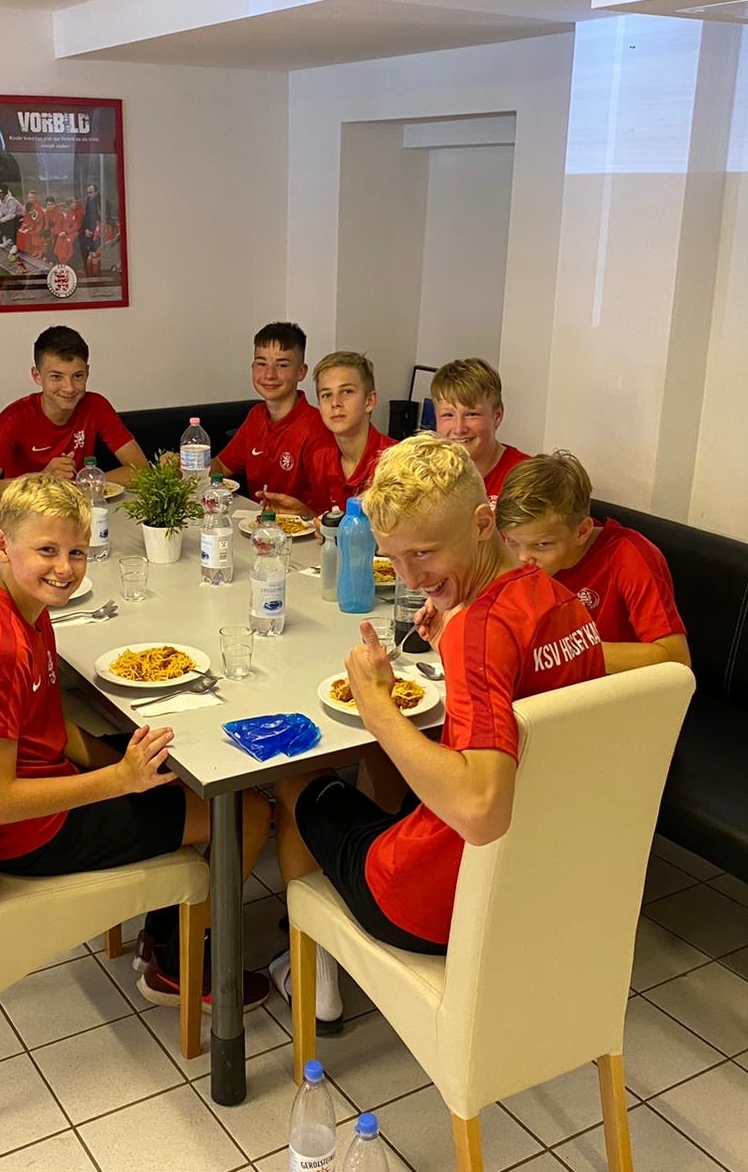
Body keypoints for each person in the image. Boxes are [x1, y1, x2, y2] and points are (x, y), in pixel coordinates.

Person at [268, 434, 605, 1027]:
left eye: (423, 553)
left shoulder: (480, 630)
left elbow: (481, 809)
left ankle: (310, 977)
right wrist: (456, 616)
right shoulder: (561, 601)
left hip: (432, 905)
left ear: (484, 523)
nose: (410, 576)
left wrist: (377, 706)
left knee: (298, 775)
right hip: (537, 886)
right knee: (389, 774)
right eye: (393, 558)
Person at [0, 473, 273, 1009]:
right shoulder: (1, 648)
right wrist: (119, 779)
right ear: (0, 544)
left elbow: (49, 731)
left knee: (181, 763)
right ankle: (179, 965)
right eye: (47, 550)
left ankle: (163, 931)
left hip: (42, 791)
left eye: (76, 552)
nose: (65, 568)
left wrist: (126, 764)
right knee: (248, 812)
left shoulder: (18, 612)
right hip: (32, 832)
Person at [495, 451, 690, 674]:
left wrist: (567, 652)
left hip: (610, 687)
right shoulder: (509, 546)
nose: (522, 559)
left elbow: (677, 659)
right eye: (511, 541)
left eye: (542, 545)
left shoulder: (629, 557)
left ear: (582, 531)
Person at [0, 326, 149, 500]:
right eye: (56, 377)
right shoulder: (15, 417)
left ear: (87, 373)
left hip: (76, 507)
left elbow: (141, 470)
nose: (69, 388)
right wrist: (41, 480)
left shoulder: (96, 405)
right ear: (37, 376)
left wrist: (80, 484)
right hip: (26, 510)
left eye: (78, 376)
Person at [209, 322, 331, 504]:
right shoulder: (256, 415)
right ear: (252, 368)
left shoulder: (317, 428)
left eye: (282, 365)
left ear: (301, 372)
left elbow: (327, 509)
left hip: (299, 521)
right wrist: (184, 466)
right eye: (261, 363)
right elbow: (221, 467)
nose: (269, 375)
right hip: (255, 518)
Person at [260, 350, 394, 517]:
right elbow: (324, 520)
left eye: (347, 392)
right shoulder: (321, 458)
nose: (335, 403)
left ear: (369, 401)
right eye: (326, 395)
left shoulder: (396, 462)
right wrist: (303, 513)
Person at [431, 358, 530, 506]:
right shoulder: (425, 477)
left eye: (472, 414)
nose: (459, 429)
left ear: (497, 416)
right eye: (448, 415)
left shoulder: (527, 479)